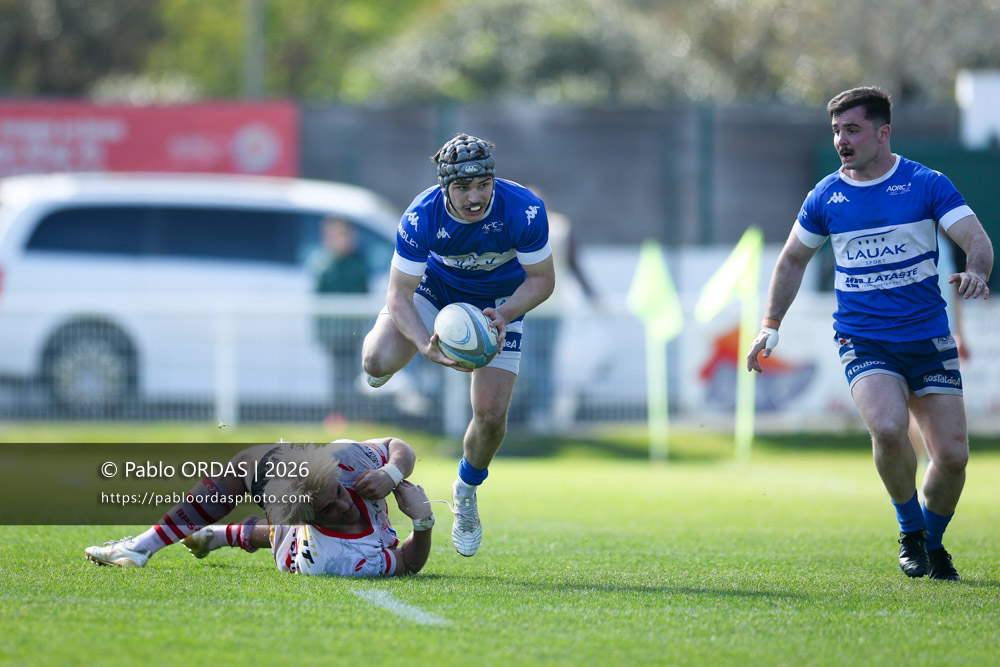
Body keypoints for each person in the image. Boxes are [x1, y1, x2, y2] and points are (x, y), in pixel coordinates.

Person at [745, 86, 993, 581]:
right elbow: (793, 259)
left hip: (927, 337)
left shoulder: (926, 184)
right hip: (864, 338)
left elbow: (976, 239)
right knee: (886, 427)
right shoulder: (825, 196)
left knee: (953, 457)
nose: (841, 139)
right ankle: (909, 532)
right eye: (836, 130)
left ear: (883, 133)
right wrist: (771, 324)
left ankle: (933, 542)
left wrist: (978, 273)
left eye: (852, 129)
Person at [361, 133, 555, 557]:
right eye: (463, 187)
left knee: (489, 414)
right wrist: (424, 347)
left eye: (483, 184)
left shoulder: (523, 209)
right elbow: (398, 294)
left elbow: (543, 280)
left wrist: (503, 315)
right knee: (375, 361)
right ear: (444, 187)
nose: (475, 196)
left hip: (499, 307)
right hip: (435, 292)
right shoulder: (421, 216)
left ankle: (466, 490)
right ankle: (392, 359)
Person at [85, 437, 435, 576]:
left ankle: (198, 537)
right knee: (277, 526)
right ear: (307, 522)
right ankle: (151, 547)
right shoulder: (338, 560)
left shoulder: (347, 461)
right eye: (329, 509)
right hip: (295, 550)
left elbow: (395, 443)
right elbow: (408, 562)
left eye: (337, 492)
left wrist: (392, 471)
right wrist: (423, 522)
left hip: (302, 516)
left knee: (248, 461)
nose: (345, 504)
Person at [309, 217, 371, 412]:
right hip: (334, 333)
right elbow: (318, 303)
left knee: (357, 373)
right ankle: (337, 414)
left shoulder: (357, 263)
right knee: (336, 374)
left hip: (354, 331)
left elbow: (363, 293)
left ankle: (359, 413)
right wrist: (321, 334)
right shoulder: (323, 265)